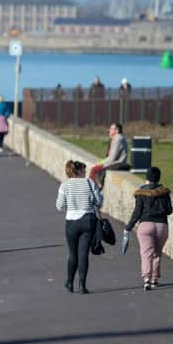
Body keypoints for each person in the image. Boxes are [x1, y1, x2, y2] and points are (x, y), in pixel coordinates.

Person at [56, 160, 103, 294]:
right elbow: (98, 201)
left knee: (72, 254)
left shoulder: (64, 185)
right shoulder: (89, 183)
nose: (86, 172)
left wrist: (70, 206)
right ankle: (82, 285)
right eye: (84, 170)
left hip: (71, 221)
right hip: (88, 219)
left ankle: (69, 282)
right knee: (83, 254)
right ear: (80, 171)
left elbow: (59, 206)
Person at [124, 167, 173, 291]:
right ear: (159, 177)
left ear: (147, 178)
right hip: (162, 225)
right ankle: (155, 279)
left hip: (145, 225)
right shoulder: (164, 192)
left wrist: (129, 227)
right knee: (157, 253)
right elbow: (169, 210)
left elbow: (137, 212)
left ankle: (147, 280)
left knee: (146, 254)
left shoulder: (141, 192)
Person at [88, 122, 128, 187]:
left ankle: (91, 189)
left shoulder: (118, 139)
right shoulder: (117, 138)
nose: (109, 130)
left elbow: (112, 158)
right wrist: (101, 161)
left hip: (118, 164)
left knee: (94, 169)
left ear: (117, 130)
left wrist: (101, 162)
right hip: (116, 162)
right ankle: (96, 187)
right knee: (97, 168)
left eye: (111, 129)